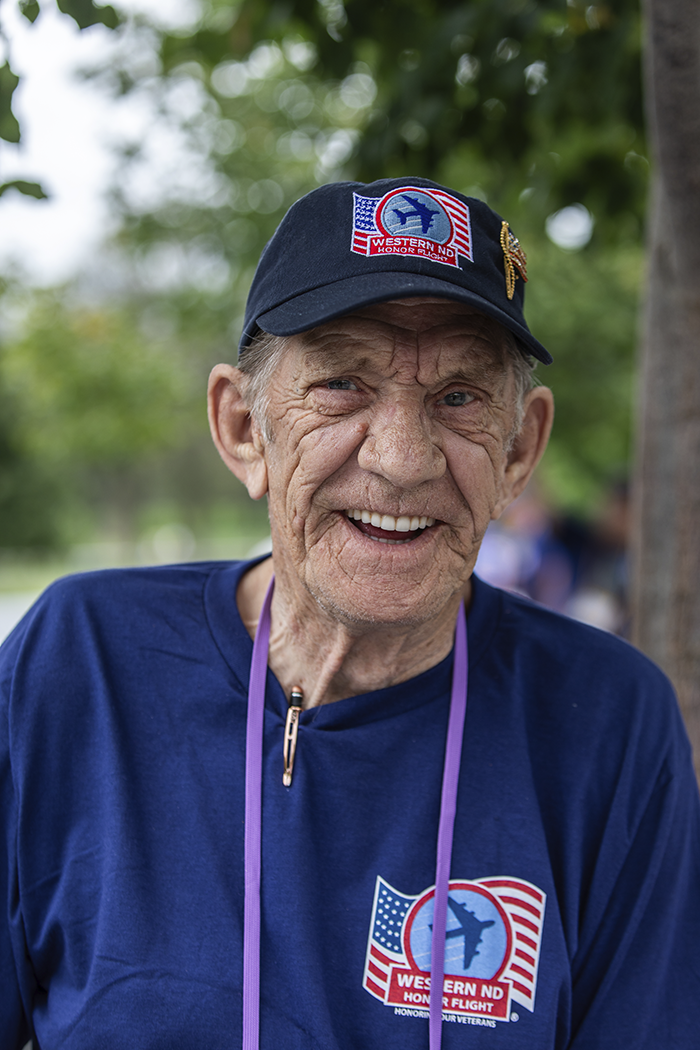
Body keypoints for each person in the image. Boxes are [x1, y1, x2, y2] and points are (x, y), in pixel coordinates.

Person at [1, 178, 698, 1050]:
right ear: (244, 429)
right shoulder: (80, 662)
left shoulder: (607, 721)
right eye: (341, 384)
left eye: (460, 398)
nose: (403, 460)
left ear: (519, 450)